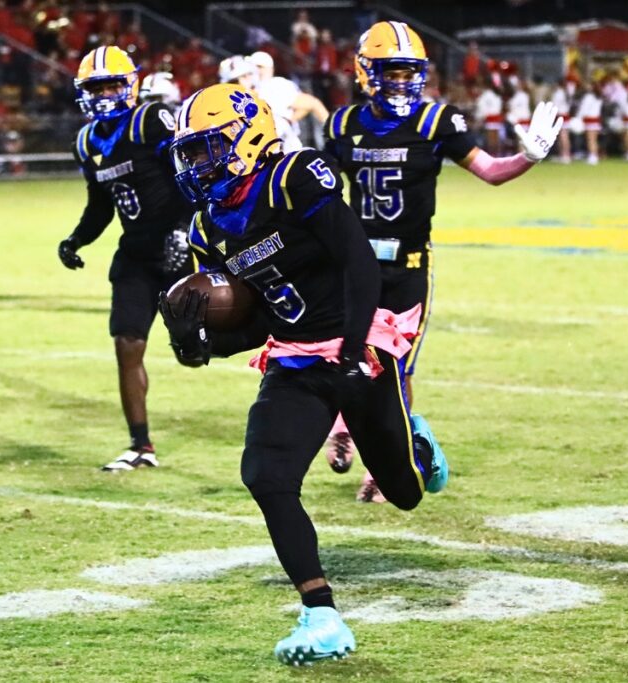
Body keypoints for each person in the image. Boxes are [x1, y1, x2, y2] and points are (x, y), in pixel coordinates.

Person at [162, 82, 449, 665]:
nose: (198, 164)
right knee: (265, 476)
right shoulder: (206, 227)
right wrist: (200, 345)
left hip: (357, 344)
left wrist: (350, 351)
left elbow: (357, 261)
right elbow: (256, 317)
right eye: (190, 153)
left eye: (207, 148)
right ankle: (321, 613)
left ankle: (417, 445)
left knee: (406, 493)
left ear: (247, 136)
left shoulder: (294, 176)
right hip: (293, 356)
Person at [322, 21, 561, 500]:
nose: (402, 82)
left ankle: (386, 465)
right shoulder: (343, 125)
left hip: (408, 266)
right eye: (391, 72)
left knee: (397, 368)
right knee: (344, 356)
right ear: (366, 72)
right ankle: (344, 425)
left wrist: (527, 157)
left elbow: (490, 172)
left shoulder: (437, 121)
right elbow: (321, 195)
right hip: (356, 265)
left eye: (409, 72)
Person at [58, 45, 194, 471]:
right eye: (96, 87)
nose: (104, 95)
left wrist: (185, 233)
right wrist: (76, 240)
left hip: (178, 248)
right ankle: (140, 445)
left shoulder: (150, 120)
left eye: (113, 84)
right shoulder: (86, 141)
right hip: (135, 254)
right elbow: (101, 204)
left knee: (198, 347)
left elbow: (189, 174)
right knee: (127, 342)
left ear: (131, 85)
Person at [248, 50, 328, 152]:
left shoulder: (275, 85)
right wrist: (289, 120)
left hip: (283, 148)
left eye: (259, 67)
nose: (255, 70)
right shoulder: (249, 88)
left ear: (270, 69)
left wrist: (335, 134)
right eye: (252, 66)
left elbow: (313, 103)